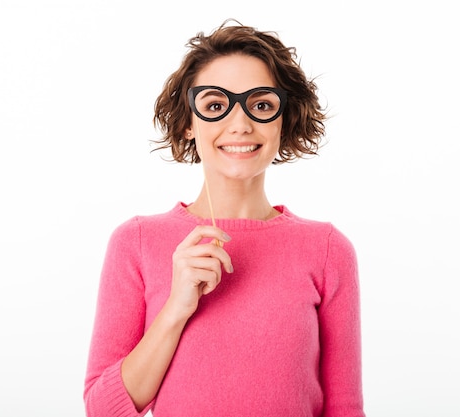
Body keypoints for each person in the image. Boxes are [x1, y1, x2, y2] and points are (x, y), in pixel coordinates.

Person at [84, 19, 365, 417]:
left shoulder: (327, 250)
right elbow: (102, 410)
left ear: (284, 122)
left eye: (262, 105)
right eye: (216, 105)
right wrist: (175, 309)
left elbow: (345, 409)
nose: (239, 124)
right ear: (187, 123)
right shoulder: (137, 242)